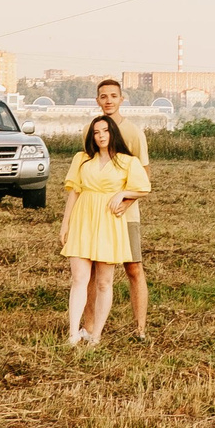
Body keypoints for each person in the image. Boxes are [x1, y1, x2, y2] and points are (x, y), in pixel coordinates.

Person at [60, 113, 149, 347]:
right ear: (92, 135)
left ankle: (96, 335)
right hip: (83, 219)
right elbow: (74, 192)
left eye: (105, 131)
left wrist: (122, 194)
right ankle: (73, 333)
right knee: (79, 278)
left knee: (103, 282)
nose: (101, 136)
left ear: (113, 133)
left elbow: (144, 188)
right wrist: (65, 224)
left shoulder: (127, 161)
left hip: (109, 222)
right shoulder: (81, 159)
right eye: (96, 132)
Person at [94, 76, 154, 337]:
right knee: (96, 271)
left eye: (113, 96)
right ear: (98, 100)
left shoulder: (133, 133)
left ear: (122, 98)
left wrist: (126, 201)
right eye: (103, 96)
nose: (108, 101)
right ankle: (90, 328)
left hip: (126, 215)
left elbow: (145, 177)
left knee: (133, 268)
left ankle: (140, 329)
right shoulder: (93, 130)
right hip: (98, 213)